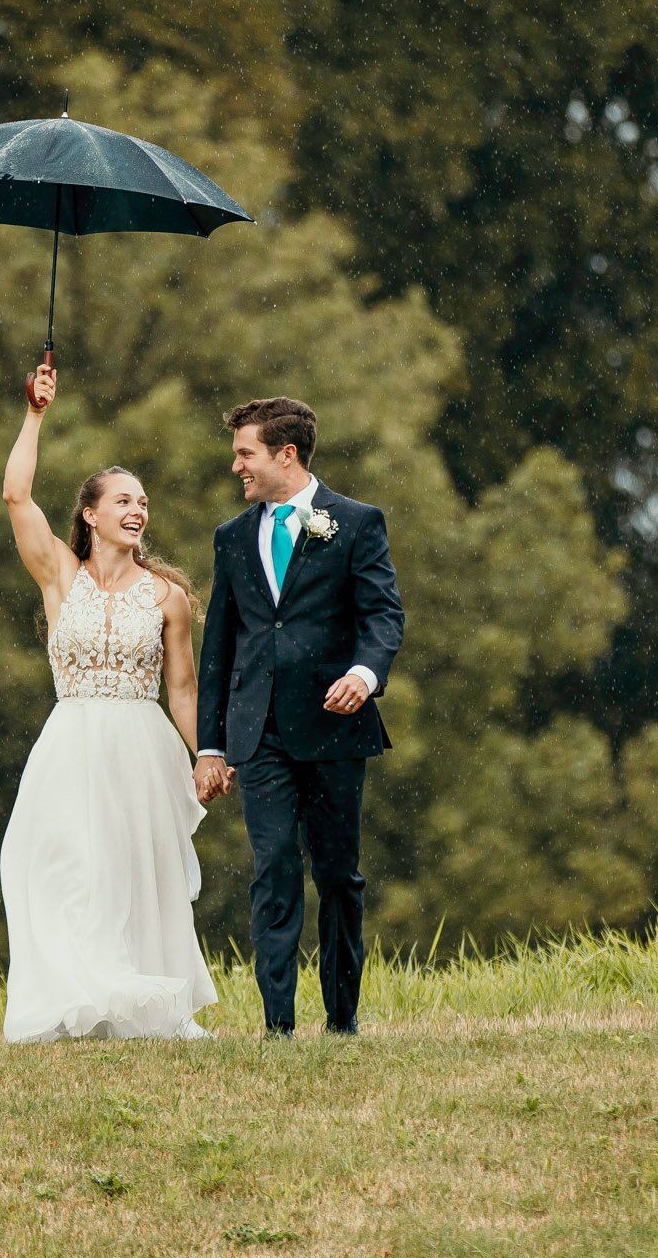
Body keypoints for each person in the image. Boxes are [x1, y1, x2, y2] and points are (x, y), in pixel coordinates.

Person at [0, 363, 218, 1042]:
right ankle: (77, 998)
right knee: (70, 868)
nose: (137, 510)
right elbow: (14, 494)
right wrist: (35, 414)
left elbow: (182, 689)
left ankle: (131, 1006)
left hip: (140, 748)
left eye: (143, 502)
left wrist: (208, 752)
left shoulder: (166, 597)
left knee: (128, 875)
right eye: (122, 500)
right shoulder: (61, 575)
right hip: (72, 742)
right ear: (90, 514)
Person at [193, 397, 405, 1037]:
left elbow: (383, 617)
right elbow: (220, 649)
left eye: (245, 453)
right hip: (258, 736)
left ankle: (342, 1023)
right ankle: (277, 1028)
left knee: (339, 876)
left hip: (335, 729)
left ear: (286, 455)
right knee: (275, 868)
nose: (237, 467)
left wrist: (364, 676)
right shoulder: (231, 538)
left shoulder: (358, 523)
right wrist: (210, 745)